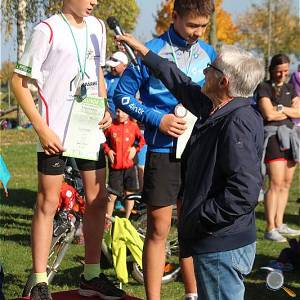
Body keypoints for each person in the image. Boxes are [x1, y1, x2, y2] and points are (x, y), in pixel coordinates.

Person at [115, 33, 265, 300]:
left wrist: (201, 217)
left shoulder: (236, 121)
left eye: (211, 68)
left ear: (224, 81)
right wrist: (144, 51)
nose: (204, 71)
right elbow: (178, 81)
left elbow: (244, 191)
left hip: (222, 244)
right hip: (218, 240)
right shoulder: (216, 107)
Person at [11, 1, 125, 299]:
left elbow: (98, 74)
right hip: (55, 132)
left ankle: (91, 276)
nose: (95, 2)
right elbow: (18, 83)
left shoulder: (98, 27)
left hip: (88, 130)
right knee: (48, 202)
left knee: (98, 199)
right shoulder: (46, 29)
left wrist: (105, 106)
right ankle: (38, 280)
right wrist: (41, 128)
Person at [114, 1, 216, 299]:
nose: (198, 32)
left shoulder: (208, 53)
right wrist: (157, 119)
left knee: (193, 224)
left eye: (203, 27)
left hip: (197, 150)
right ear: (174, 17)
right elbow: (122, 96)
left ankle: (192, 293)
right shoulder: (148, 50)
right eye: (192, 25)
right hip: (162, 150)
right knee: (159, 228)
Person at [256, 54, 300, 242]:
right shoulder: (263, 87)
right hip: (273, 137)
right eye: (279, 71)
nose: (282, 75)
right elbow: (268, 114)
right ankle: (270, 226)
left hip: (291, 138)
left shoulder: (291, 88)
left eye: (286, 71)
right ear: (272, 69)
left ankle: (280, 222)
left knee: (286, 183)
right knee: (275, 182)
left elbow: (298, 112)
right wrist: (286, 111)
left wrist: (280, 109)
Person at [103, 108, 145, 218]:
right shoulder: (111, 126)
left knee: (130, 194)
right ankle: (108, 220)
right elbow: (103, 140)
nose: (120, 114)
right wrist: (108, 151)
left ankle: (127, 218)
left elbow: (142, 141)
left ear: (128, 113)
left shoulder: (133, 126)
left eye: (123, 111)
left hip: (130, 166)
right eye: (117, 111)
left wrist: (135, 149)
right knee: (111, 196)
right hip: (115, 167)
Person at [105, 51, 128, 119]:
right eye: (111, 66)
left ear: (124, 66)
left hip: (126, 123)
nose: (112, 68)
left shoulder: (132, 80)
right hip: (110, 122)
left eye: (115, 66)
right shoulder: (105, 79)